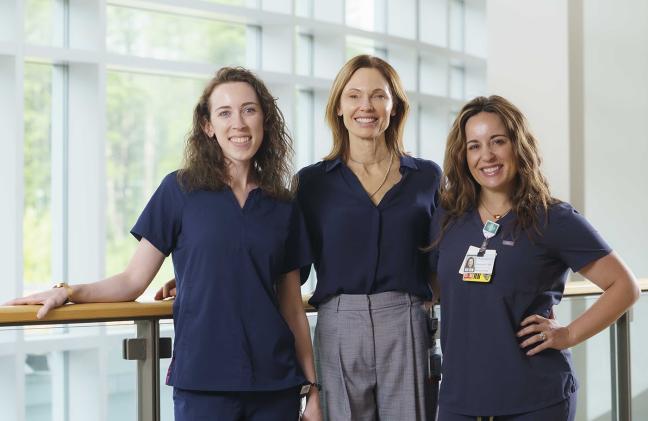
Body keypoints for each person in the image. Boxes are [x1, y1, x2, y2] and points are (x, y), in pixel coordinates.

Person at [7, 67, 322, 421]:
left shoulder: (283, 204)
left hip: (274, 385)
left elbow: (292, 307)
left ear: (264, 118)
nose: (239, 123)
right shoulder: (179, 190)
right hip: (203, 382)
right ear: (208, 126)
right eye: (225, 112)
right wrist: (68, 291)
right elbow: (131, 281)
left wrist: (312, 390)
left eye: (249, 109)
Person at [428, 95, 640, 421]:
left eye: (498, 141)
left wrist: (568, 334)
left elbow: (624, 286)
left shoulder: (552, 218)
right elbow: (431, 286)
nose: (487, 155)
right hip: (459, 401)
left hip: (535, 399)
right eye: (474, 146)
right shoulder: (448, 217)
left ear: (518, 145)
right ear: (463, 155)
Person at [296, 55, 442, 420]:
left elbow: (445, 255)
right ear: (339, 108)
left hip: (407, 320)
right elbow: (289, 268)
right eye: (354, 96)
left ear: (394, 107)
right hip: (339, 323)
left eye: (379, 95)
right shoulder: (312, 183)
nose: (366, 106)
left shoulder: (427, 176)